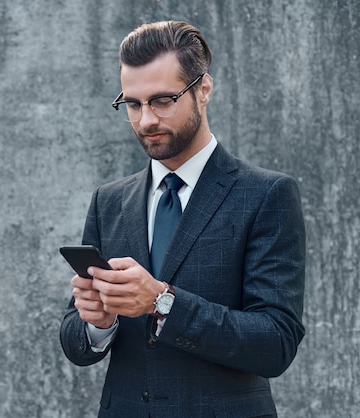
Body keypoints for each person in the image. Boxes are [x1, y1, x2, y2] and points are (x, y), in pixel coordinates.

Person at [59, 20, 305, 417]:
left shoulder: (265, 195)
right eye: (133, 104)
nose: (146, 121)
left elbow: (276, 344)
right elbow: (76, 341)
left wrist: (161, 302)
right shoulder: (109, 201)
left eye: (162, 100)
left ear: (203, 89)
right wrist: (97, 323)